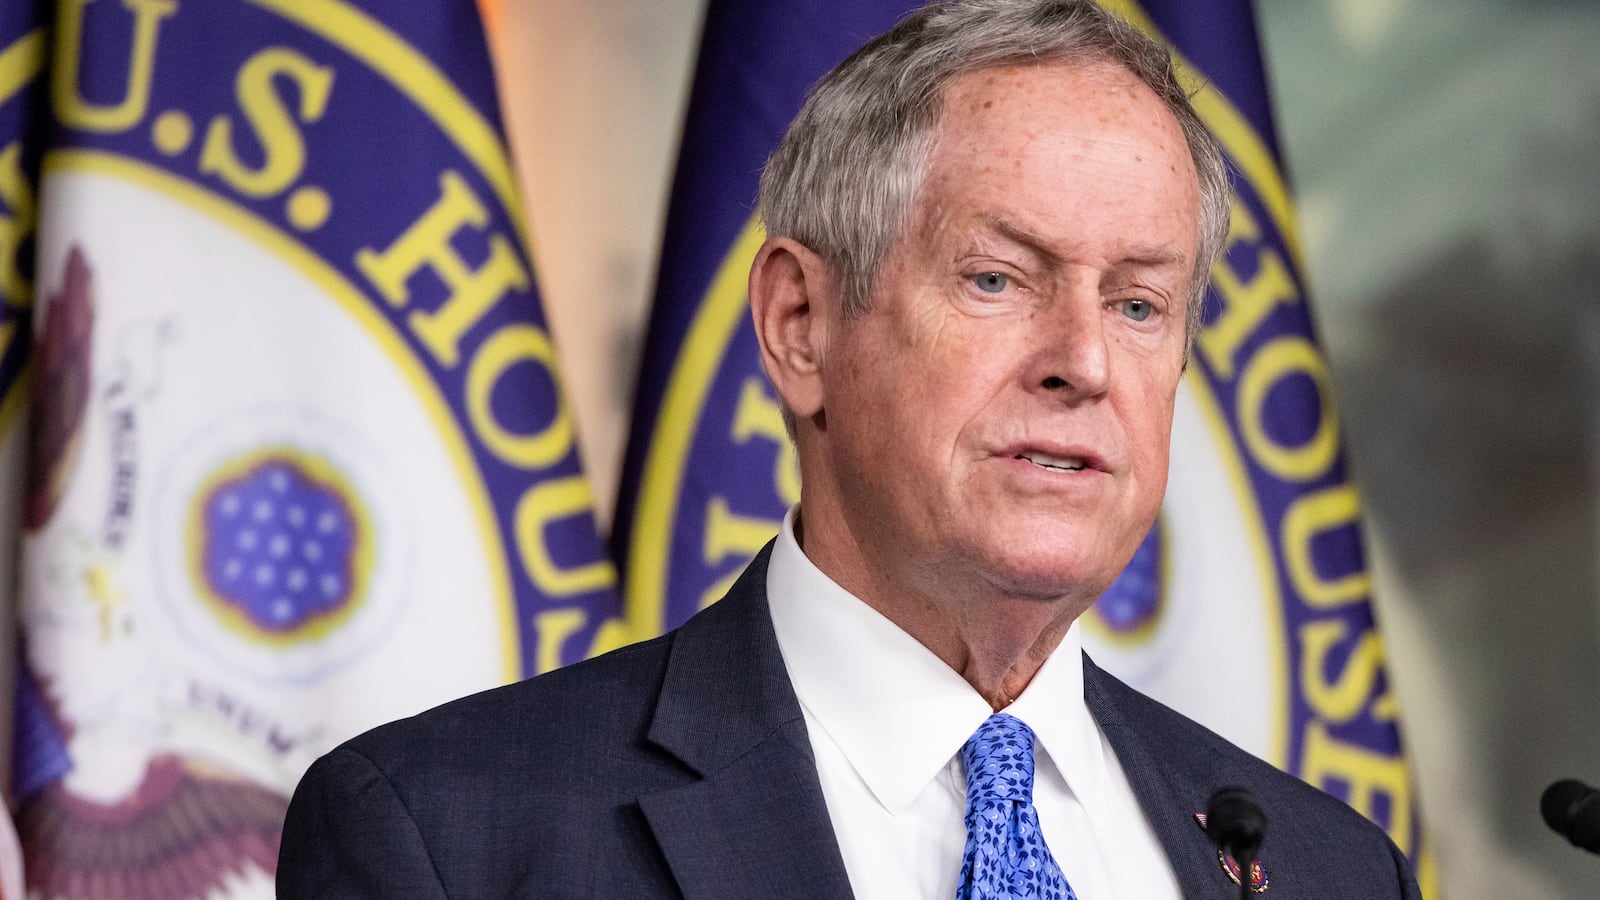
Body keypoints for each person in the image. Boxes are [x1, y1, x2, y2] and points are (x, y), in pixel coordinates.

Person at [277, 1, 1420, 897]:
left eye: (1137, 304)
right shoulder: (450, 838)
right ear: (799, 325)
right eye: (996, 279)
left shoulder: (1329, 870)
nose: (1082, 361)